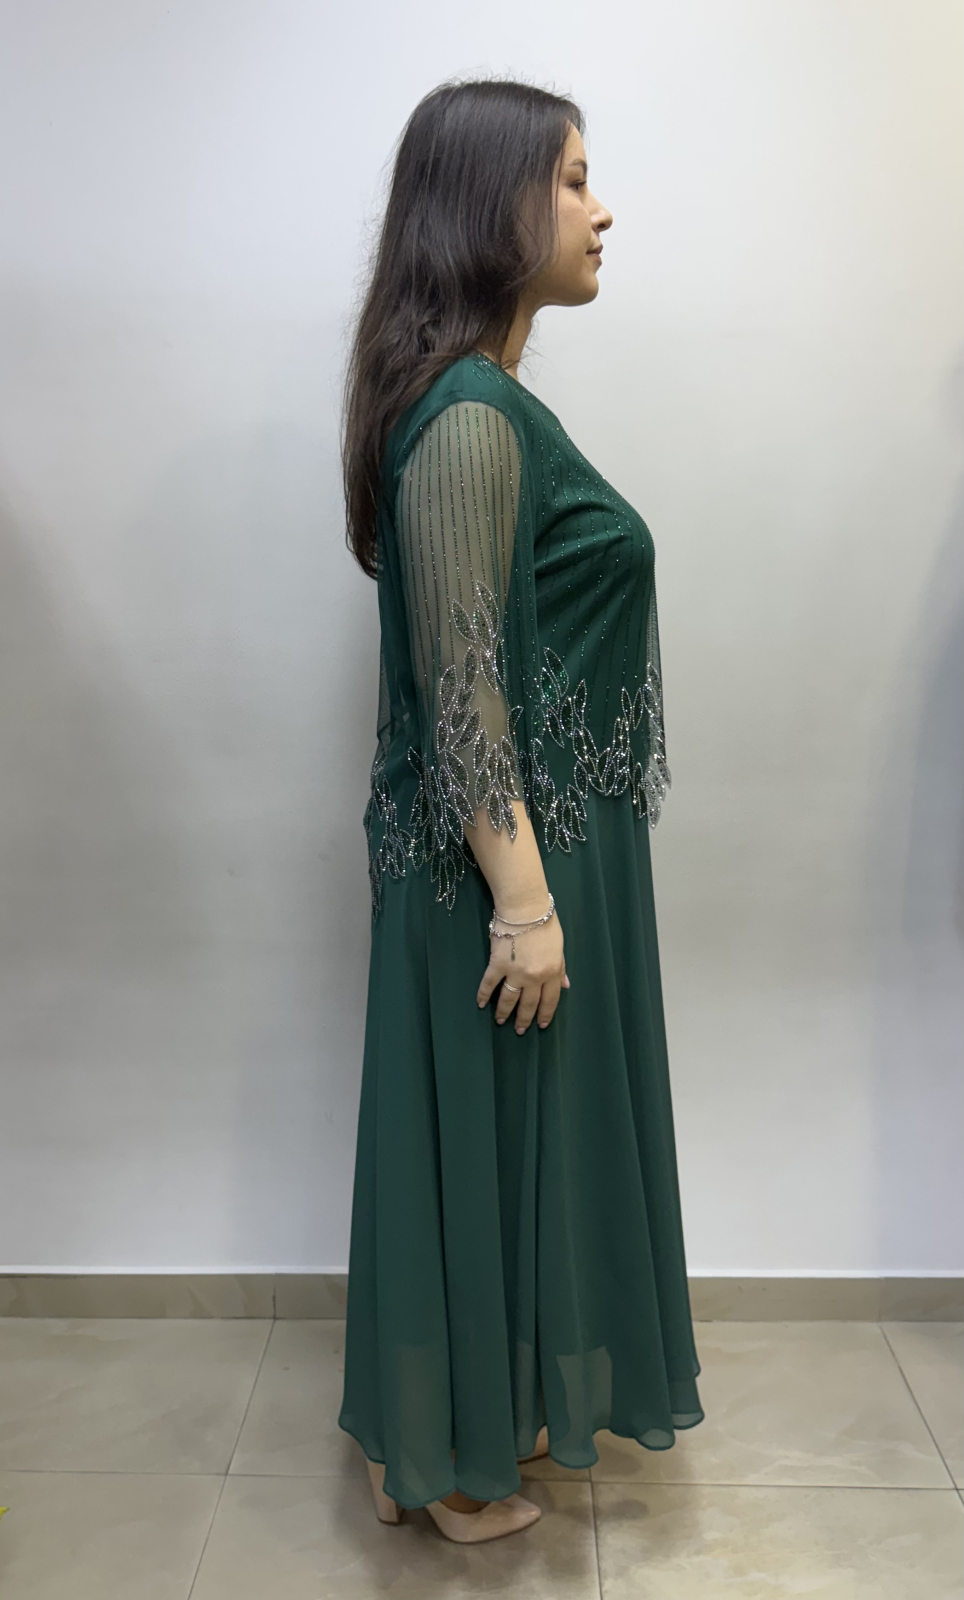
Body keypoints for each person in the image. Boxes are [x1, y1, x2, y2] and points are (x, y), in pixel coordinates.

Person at [337, 76, 705, 1544]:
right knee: (484, 1148)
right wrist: (527, 902)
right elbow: (464, 681)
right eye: (571, 178)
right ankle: (443, 1463)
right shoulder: (471, 419)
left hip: (522, 858)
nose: (601, 210)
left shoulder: (485, 405)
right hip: (495, 878)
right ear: (492, 202)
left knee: (512, 1149)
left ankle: (469, 1430)